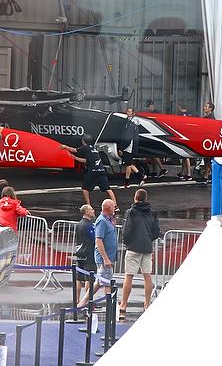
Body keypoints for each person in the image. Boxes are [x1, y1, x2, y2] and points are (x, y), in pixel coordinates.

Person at [118, 189, 161, 321]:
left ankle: (124, 304)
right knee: (147, 276)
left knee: (129, 276)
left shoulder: (131, 212)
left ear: (135, 197)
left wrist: (126, 242)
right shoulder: (152, 213)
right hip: (147, 247)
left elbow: (127, 230)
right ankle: (147, 304)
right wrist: (149, 239)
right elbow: (156, 231)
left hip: (133, 247)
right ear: (145, 198)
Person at [78, 199, 118, 307]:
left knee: (102, 281)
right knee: (105, 281)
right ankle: (108, 305)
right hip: (104, 257)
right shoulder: (102, 221)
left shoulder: (108, 220)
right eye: (113, 207)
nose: (115, 209)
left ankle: (84, 302)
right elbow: (98, 240)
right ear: (108, 209)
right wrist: (105, 258)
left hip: (108, 256)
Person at [61, 135, 119, 208]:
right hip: (101, 170)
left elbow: (74, 150)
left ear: (83, 141)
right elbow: (88, 161)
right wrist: (75, 158)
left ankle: (88, 206)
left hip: (93, 171)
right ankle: (115, 206)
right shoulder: (94, 149)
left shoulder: (85, 148)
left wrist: (65, 147)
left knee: (85, 188)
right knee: (108, 189)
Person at [74, 204, 97, 302]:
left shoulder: (78, 224)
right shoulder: (88, 225)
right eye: (91, 210)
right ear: (87, 212)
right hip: (88, 253)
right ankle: (88, 301)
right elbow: (94, 238)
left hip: (79, 252)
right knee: (89, 278)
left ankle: (77, 299)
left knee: (79, 278)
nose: (93, 211)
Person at [119, 108, 146, 188]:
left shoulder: (131, 124)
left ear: (133, 113)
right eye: (127, 111)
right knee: (128, 164)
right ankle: (127, 182)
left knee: (129, 164)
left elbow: (127, 137)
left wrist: (122, 148)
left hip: (128, 146)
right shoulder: (132, 122)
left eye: (129, 111)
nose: (127, 112)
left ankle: (140, 177)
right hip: (130, 146)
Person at [144, 100, 167, 177]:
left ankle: (162, 169)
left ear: (152, 105)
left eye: (148, 107)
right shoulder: (148, 113)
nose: (147, 108)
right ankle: (154, 171)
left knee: (154, 154)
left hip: (157, 136)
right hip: (151, 135)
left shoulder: (157, 113)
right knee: (151, 154)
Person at [177, 102, 194, 181]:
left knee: (186, 156)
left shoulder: (181, 115)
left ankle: (188, 174)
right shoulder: (190, 114)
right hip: (189, 136)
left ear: (180, 107)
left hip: (183, 137)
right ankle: (182, 172)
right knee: (184, 156)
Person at [201, 102, 216, 182]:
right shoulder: (206, 117)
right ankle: (206, 176)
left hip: (209, 142)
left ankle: (215, 176)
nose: (204, 107)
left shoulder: (211, 119)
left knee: (209, 160)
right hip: (206, 141)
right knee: (206, 160)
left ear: (210, 109)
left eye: (206, 106)